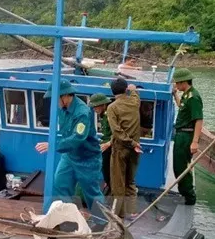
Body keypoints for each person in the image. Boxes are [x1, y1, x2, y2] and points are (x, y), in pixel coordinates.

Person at [35, 79, 105, 215]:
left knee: (91, 193)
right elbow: (64, 133)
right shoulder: (62, 109)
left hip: (87, 159)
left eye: (55, 98)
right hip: (69, 156)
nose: (54, 102)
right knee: (60, 184)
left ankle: (103, 222)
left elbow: (78, 138)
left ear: (65, 96)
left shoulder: (82, 113)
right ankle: (69, 216)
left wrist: (53, 145)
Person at [106, 78, 142, 220]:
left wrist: (130, 143)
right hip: (135, 150)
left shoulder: (112, 108)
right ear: (125, 89)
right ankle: (132, 211)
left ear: (112, 91)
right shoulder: (134, 102)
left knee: (118, 183)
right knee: (130, 180)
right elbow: (134, 93)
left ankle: (119, 214)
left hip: (121, 149)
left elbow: (117, 131)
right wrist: (132, 88)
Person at [172, 68, 203, 205]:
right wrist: (175, 95)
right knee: (177, 166)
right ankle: (184, 192)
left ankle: (189, 196)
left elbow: (198, 119)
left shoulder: (194, 97)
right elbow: (182, 107)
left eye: (177, 83)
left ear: (184, 82)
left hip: (186, 135)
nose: (176, 86)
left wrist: (195, 142)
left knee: (182, 166)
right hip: (180, 134)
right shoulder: (186, 95)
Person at [88, 93, 113, 195]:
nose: (94, 109)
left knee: (105, 166)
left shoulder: (109, 115)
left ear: (103, 105)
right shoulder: (104, 115)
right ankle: (108, 182)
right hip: (105, 143)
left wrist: (108, 143)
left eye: (96, 106)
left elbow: (117, 132)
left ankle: (110, 185)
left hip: (110, 145)